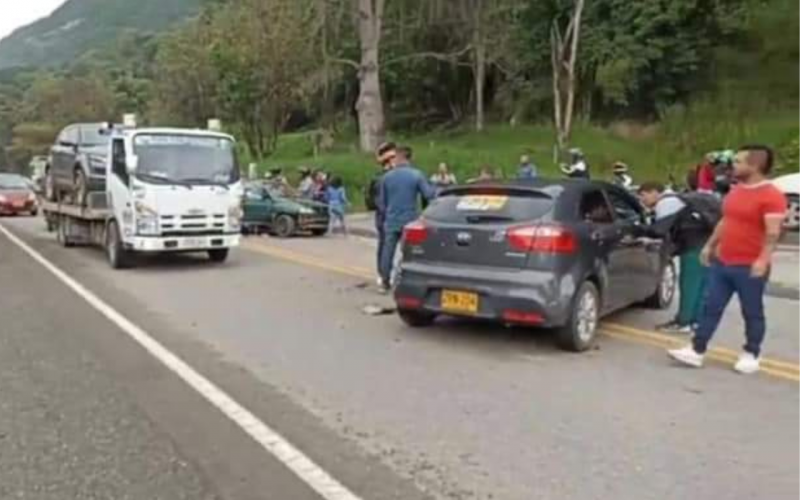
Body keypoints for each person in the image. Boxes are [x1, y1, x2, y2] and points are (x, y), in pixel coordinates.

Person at [668, 145, 787, 374]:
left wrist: (762, 259)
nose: (734, 166)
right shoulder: (737, 190)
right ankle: (697, 349)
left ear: (755, 165)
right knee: (710, 307)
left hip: (749, 264)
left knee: (751, 310)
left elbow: (773, 232)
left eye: (739, 162)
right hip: (723, 261)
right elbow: (726, 221)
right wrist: (710, 245)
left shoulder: (772, 195)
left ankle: (751, 352)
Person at [638, 182, 720, 334]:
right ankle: (697, 321)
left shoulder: (665, 203)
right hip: (709, 244)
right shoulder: (680, 199)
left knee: (689, 285)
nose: (642, 200)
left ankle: (683, 321)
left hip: (693, 246)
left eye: (643, 195)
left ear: (655, 192)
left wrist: (641, 230)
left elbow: (660, 229)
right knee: (702, 285)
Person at [377, 145, 434, 293]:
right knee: (409, 252)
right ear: (410, 158)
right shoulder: (416, 175)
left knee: (387, 251)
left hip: (391, 219)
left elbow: (381, 203)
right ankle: (407, 282)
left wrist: (385, 217)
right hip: (410, 220)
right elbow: (429, 195)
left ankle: (384, 282)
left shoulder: (386, 177)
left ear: (398, 157)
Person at [369, 142, 397, 283]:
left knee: (386, 245)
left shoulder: (388, 176)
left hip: (390, 216)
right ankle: (383, 274)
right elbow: (378, 201)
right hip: (385, 217)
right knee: (385, 245)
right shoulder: (380, 179)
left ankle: (385, 273)